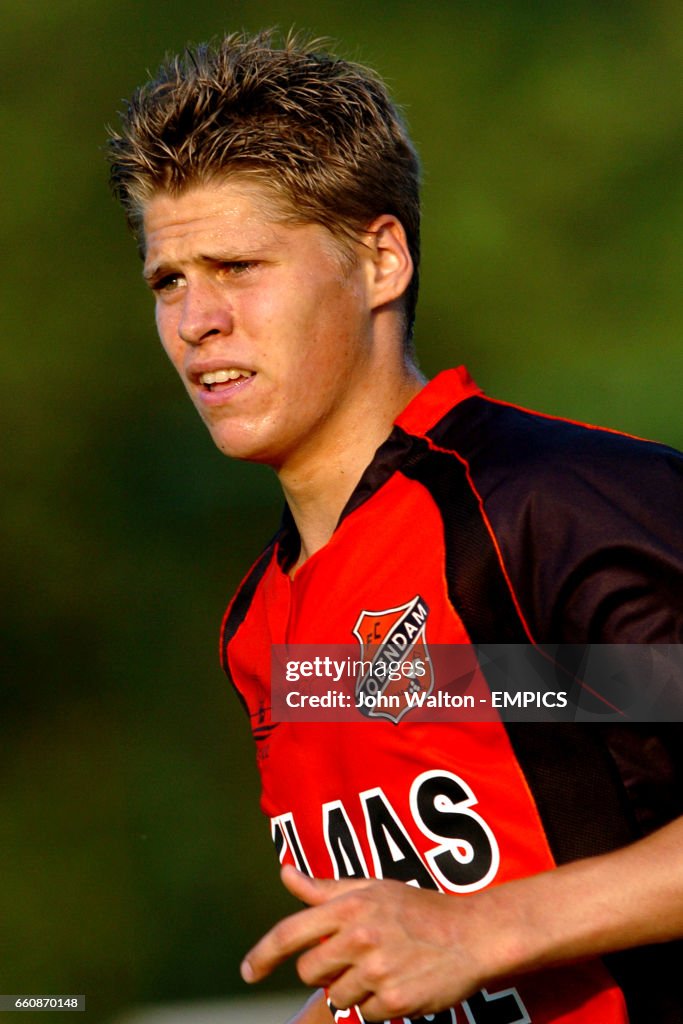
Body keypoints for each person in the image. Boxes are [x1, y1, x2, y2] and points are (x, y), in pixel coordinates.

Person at [107, 30, 683, 1024]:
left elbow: (465, 929)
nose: (196, 319)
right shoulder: (265, 631)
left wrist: (484, 928)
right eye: (169, 279)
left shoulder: (549, 505)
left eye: (237, 265)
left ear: (379, 259)